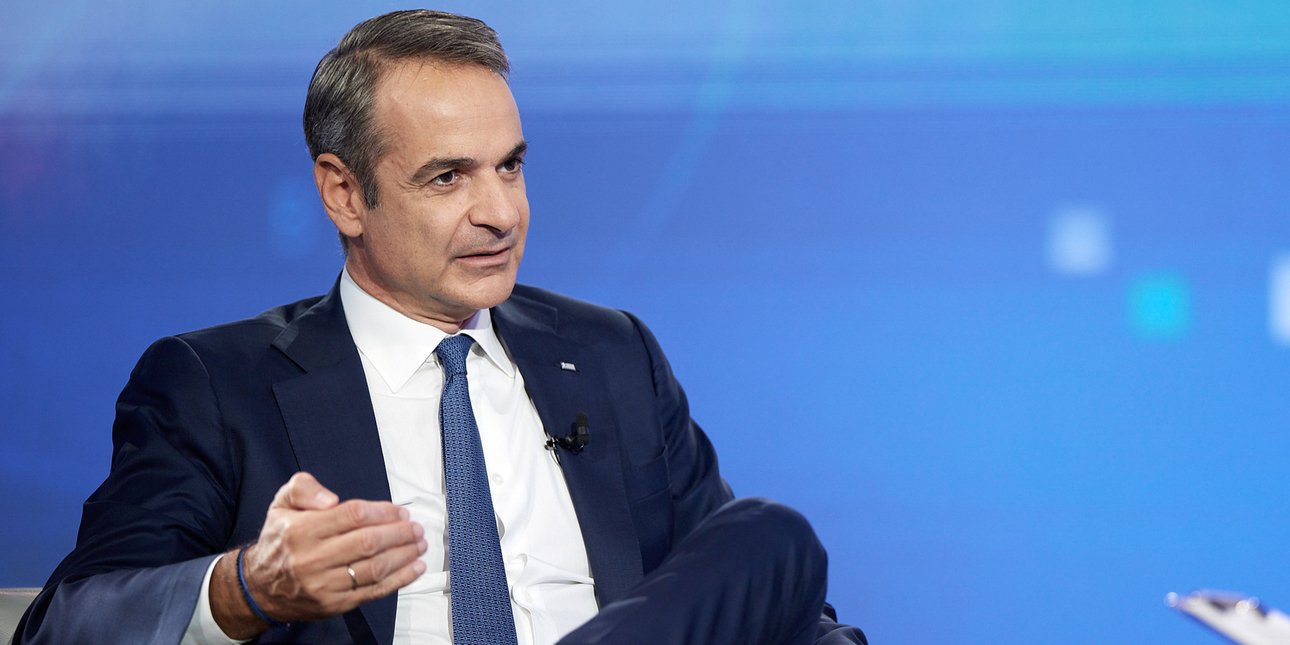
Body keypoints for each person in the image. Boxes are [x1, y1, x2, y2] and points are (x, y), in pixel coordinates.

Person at [14, 9, 866, 645]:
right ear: (344, 193)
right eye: (448, 177)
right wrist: (249, 587)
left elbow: (753, 610)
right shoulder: (215, 382)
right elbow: (66, 625)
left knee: (770, 539)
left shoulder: (611, 354)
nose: (501, 212)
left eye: (510, 166)